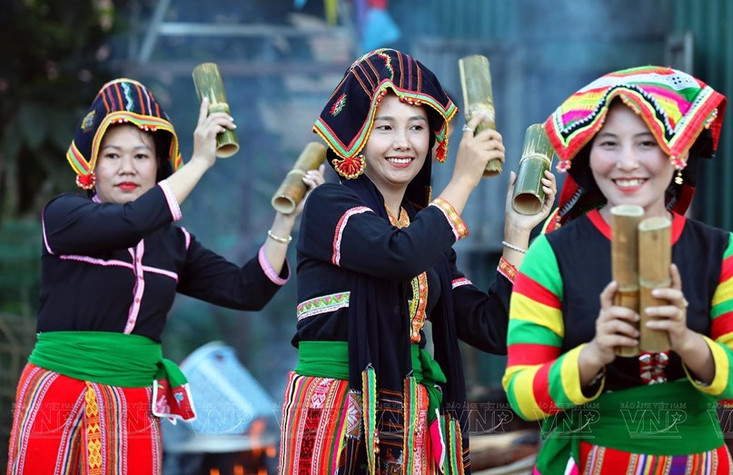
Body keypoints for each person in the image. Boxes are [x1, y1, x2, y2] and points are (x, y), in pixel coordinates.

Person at [6, 78, 323, 474]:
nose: (127, 168)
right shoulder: (64, 218)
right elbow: (130, 221)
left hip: (136, 403)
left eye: (141, 156)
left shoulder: (174, 243)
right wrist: (201, 161)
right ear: (92, 164)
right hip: (63, 393)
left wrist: (285, 219)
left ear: (158, 166)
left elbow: (247, 291)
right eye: (112, 156)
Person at [277, 48, 556, 474]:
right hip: (335, 412)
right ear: (358, 134)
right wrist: (464, 179)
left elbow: (493, 328)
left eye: (417, 127)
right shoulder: (327, 205)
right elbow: (398, 255)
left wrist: (518, 230)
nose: (403, 143)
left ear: (432, 138)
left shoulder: (428, 238)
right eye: (384, 127)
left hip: (409, 416)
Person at [503, 66, 733, 474]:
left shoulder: (721, 253)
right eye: (609, 143)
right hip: (590, 459)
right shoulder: (550, 255)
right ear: (588, 155)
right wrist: (595, 353)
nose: (627, 163)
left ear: (676, 152)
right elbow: (523, 394)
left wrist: (685, 339)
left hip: (697, 464)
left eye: (647, 143)